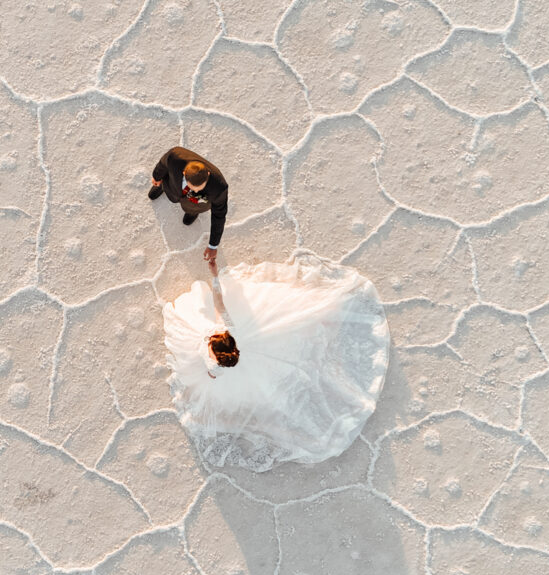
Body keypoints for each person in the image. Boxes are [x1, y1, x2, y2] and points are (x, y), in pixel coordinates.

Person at [162, 253, 390, 471]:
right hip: (243, 354)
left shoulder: (214, 365)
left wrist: (213, 275)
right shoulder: (227, 329)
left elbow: (211, 374)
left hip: (230, 368)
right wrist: (213, 276)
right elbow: (219, 304)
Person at [149, 147, 228, 263]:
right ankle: (162, 187)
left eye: (199, 189)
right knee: (168, 186)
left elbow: (219, 216)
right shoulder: (175, 157)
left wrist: (213, 246)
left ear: (208, 174)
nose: (195, 192)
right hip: (173, 186)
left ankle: (192, 212)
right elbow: (163, 164)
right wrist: (157, 177)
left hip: (197, 204)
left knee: (192, 208)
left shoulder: (219, 188)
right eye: (192, 187)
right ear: (184, 173)